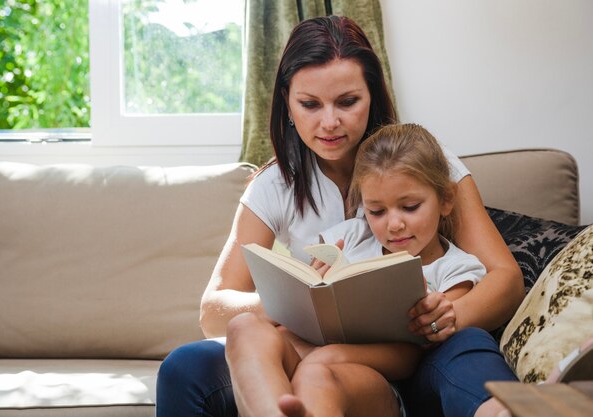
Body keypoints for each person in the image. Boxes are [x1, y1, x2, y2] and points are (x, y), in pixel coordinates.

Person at [156, 15, 524, 417]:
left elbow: (504, 279)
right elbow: (213, 311)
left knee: (465, 344)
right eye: (310, 104)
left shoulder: (427, 163)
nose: (329, 122)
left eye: (347, 102)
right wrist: (294, 302)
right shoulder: (276, 185)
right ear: (288, 105)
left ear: (373, 96)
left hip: (412, 357)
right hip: (313, 357)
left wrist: (445, 317)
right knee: (186, 365)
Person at [223, 123, 490, 417]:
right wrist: (315, 283)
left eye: (410, 207)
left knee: (316, 373)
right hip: (314, 350)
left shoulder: (457, 269)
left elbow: (416, 354)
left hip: (372, 382)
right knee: (243, 325)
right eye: (376, 211)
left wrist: (330, 355)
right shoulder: (351, 236)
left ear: (446, 200)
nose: (394, 224)